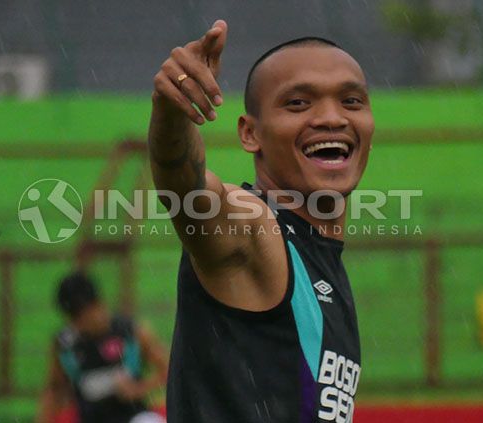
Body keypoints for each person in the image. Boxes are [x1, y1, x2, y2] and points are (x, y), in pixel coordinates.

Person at [148, 19, 374, 423]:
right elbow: (189, 190)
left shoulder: (322, 257)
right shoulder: (256, 229)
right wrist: (171, 114)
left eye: (351, 101)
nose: (332, 118)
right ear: (250, 133)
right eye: (298, 103)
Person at [38, 272, 168, 423]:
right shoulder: (66, 345)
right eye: (73, 318)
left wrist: (138, 389)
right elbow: (54, 390)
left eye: (82, 315)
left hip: (134, 417)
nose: (78, 324)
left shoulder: (131, 333)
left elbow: (169, 371)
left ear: (98, 304)